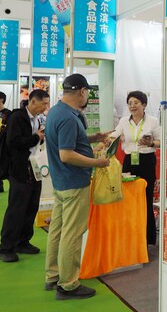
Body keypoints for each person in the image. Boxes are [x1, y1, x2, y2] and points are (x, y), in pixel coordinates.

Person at [44, 74, 109, 300]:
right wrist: (97, 163)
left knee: (58, 230)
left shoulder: (56, 111)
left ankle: (53, 275)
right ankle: (68, 284)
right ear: (82, 91)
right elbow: (67, 154)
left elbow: (69, 142)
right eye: (88, 92)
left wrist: (94, 138)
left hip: (62, 183)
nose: (87, 96)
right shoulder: (70, 118)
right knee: (72, 234)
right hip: (73, 182)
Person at [0, 89, 50, 263]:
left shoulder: (36, 119)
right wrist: (36, 137)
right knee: (16, 208)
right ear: (33, 102)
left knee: (32, 206)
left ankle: (23, 241)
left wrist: (39, 137)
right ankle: (6, 247)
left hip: (34, 168)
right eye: (44, 103)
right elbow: (13, 142)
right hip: (20, 169)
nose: (46, 107)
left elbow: (32, 141)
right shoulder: (17, 117)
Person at [112, 91, 161, 246]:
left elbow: (163, 142)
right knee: (128, 199)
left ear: (144, 105)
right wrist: (105, 141)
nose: (132, 106)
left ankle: (147, 240)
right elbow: (114, 135)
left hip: (146, 161)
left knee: (146, 199)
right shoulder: (124, 121)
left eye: (136, 103)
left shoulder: (153, 121)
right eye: (130, 103)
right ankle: (130, 236)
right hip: (129, 162)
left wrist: (151, 144)